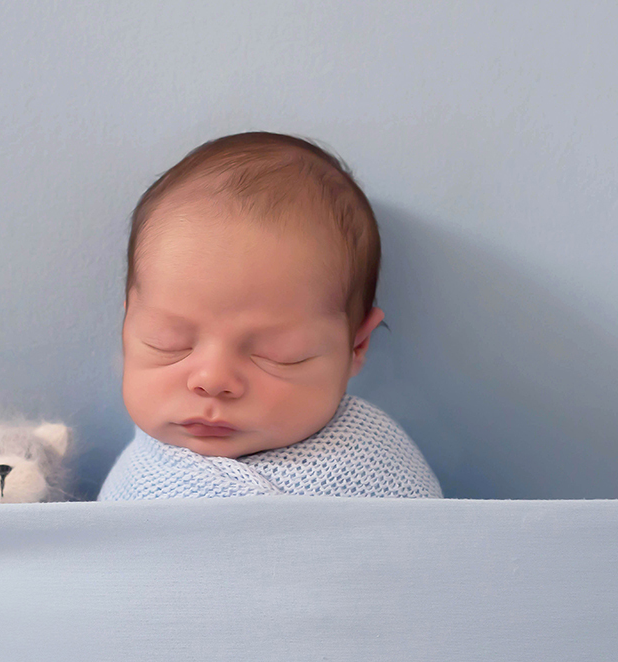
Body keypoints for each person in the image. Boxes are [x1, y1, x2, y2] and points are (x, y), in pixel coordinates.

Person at [98, 132, 441, 499]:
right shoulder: (138, 468)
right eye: (167, 342)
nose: (213, 380)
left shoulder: (373, 471)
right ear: (127, 326)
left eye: (278, 353)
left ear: (356, 346)